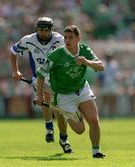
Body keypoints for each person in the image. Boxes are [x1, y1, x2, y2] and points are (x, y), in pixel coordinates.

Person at [36, 25, 105, 158]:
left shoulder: (84, 50)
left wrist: (87, 62)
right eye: (65, 38)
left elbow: (101, 66)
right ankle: (63, 110)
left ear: (78, 38)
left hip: (82, 89)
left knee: (94, 120)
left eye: (71, 38)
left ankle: (96, 151)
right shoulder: (56, 55)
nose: (67, 40)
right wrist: (39, 95)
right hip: (63, 95)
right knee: (80, 130)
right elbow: (40, 74)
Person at [9, 17, 72, 153]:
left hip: (57, 79)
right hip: (39, 78)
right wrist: (15, 70)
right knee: (44, 99)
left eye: (45, 30)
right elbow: (13, 51)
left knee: (59, 112)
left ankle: (63, 139)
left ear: (51, 30)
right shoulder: (28, 40)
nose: (42, 33)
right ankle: (49, 128)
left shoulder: (60, 40)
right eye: (40, 29)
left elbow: (70, 55)